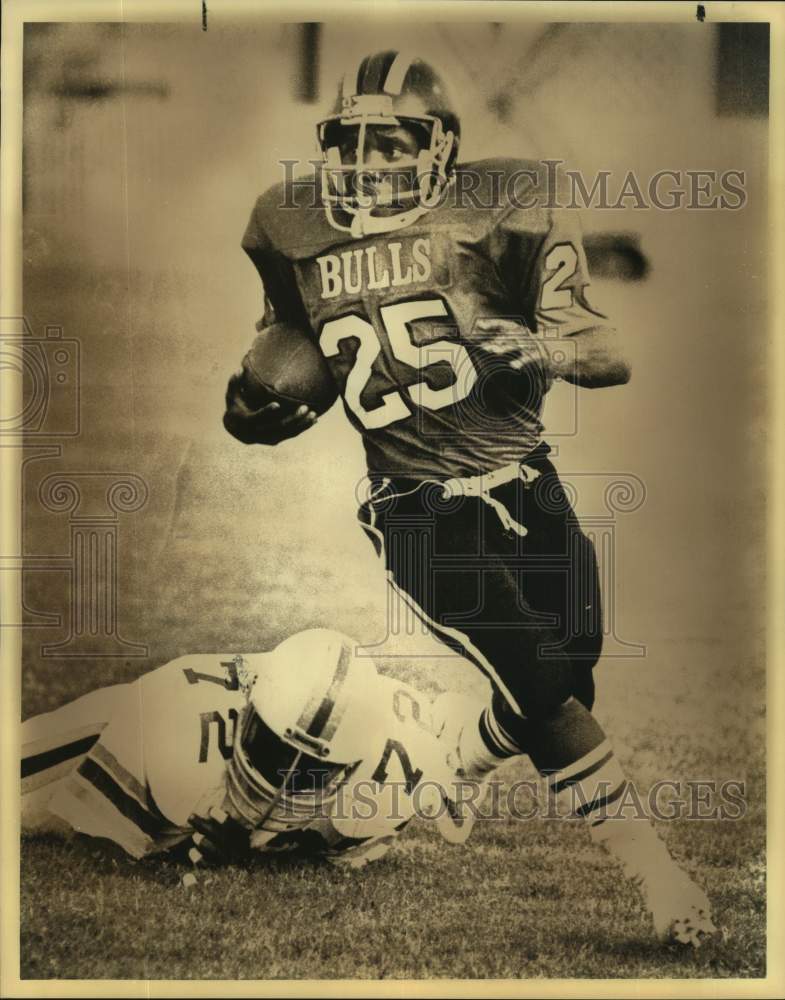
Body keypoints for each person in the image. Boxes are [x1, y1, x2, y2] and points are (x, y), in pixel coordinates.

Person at [223, 51, 714, 946]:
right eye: (351, 140)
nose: (368, 161)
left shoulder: (506, 209)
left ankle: (450, 761)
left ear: (441, 145)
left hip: (524, 476)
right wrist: (259, 406)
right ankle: (660, 879)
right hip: (415, 505)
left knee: (570, 668)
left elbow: (610, 352)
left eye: (392, 140)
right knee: (547, 690)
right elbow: (296, 347)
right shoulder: (288, 226)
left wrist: (547, 352)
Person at [21, 628, 464, 873]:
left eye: (314, 770)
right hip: (102, 729)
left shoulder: (398, 772)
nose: (288, 778)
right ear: (249, 704)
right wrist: (177, 852)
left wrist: (248, 854)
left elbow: (330, 859)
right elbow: (95, 845)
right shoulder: (173, 720)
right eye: (273, 750)